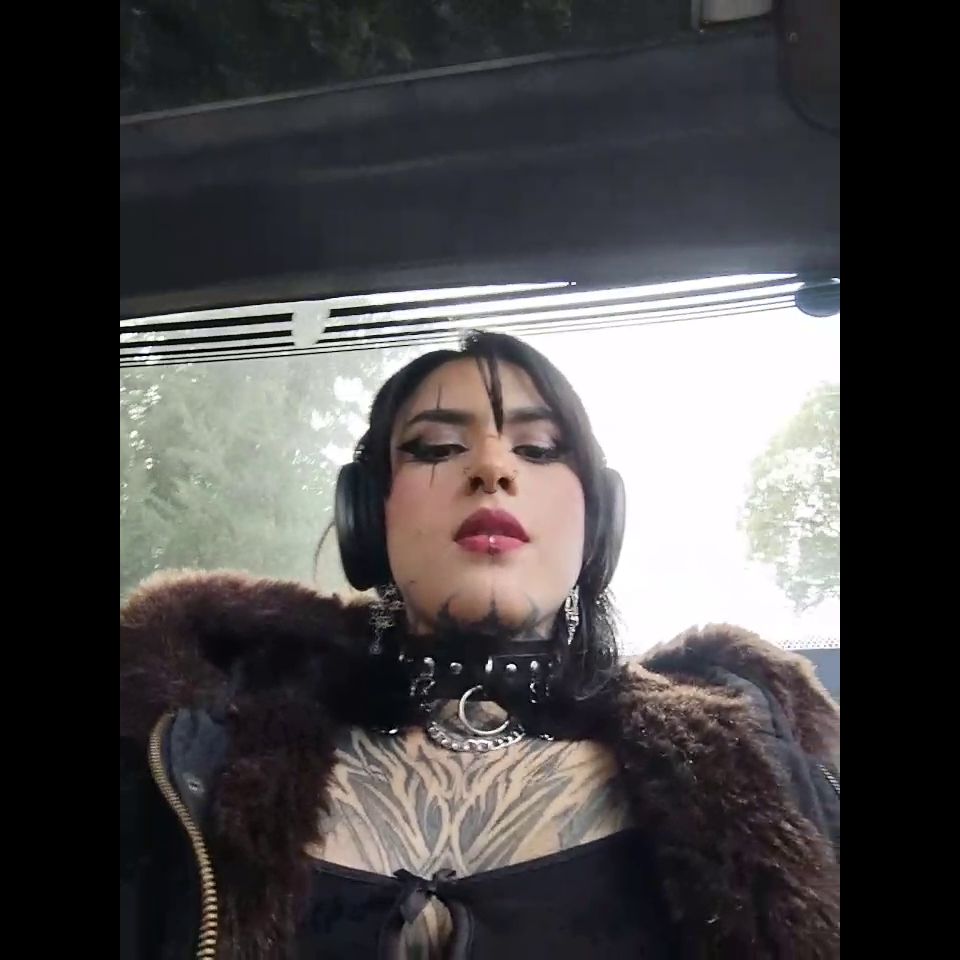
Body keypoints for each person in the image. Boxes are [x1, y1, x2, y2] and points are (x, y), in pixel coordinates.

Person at [120, 331, 840, 960]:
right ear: (367, 514)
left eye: (539, 449)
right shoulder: (192, 755)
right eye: (436, 447)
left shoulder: (757, 758)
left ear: (599, 523)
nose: (493, 469)